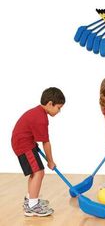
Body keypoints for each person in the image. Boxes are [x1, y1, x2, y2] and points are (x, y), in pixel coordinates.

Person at [11, 87, 65, 217]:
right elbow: (46, 142)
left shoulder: (38, 112)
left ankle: (30, 200)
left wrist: (34, 144)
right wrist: (50, 161)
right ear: (50, 104)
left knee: (35, 173)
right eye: (58, 107)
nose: (59, 111)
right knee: (39, 172)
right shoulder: (41, 118)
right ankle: (32, 206)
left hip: (25, 143)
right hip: (24, 145)